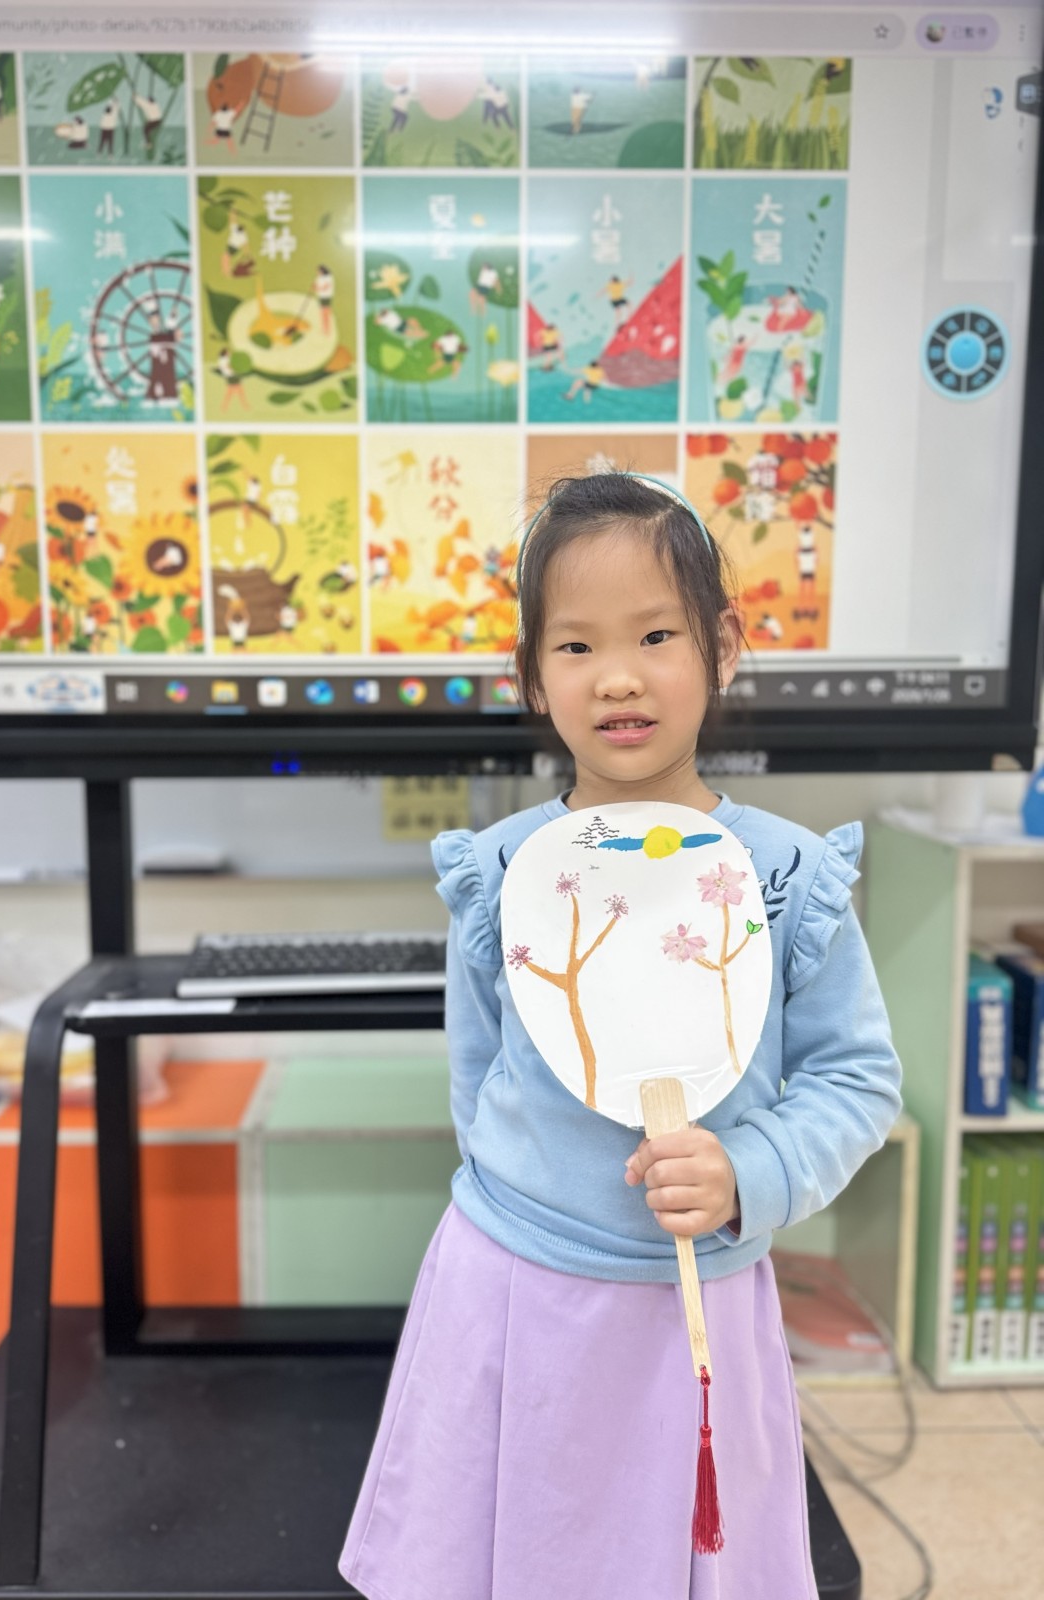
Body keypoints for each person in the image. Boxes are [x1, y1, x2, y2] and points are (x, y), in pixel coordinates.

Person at [338, 471, 902, 1600]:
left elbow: (856, 1079)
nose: (619, 676)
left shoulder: (787, 879)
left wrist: (749, 1171)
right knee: (497, 1552)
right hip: (510, 1288)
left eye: (655, 635)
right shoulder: (499, 874)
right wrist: (520, 1199)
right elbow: (478, 1072)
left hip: (694, 1299)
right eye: (577, 646)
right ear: (531, 676)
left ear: (722, 648)